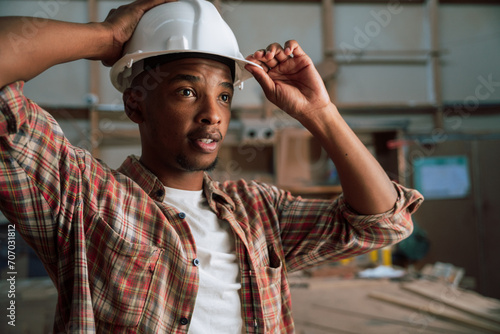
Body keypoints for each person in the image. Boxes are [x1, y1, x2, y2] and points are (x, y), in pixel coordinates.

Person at [0, 0, 423, 332]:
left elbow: (383, 223)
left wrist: (320, 113)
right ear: (135, 103)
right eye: (187, 91)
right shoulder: (83, 197)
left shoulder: (257, 210)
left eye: (224, 95)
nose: (212, 115)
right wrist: (105, 37)